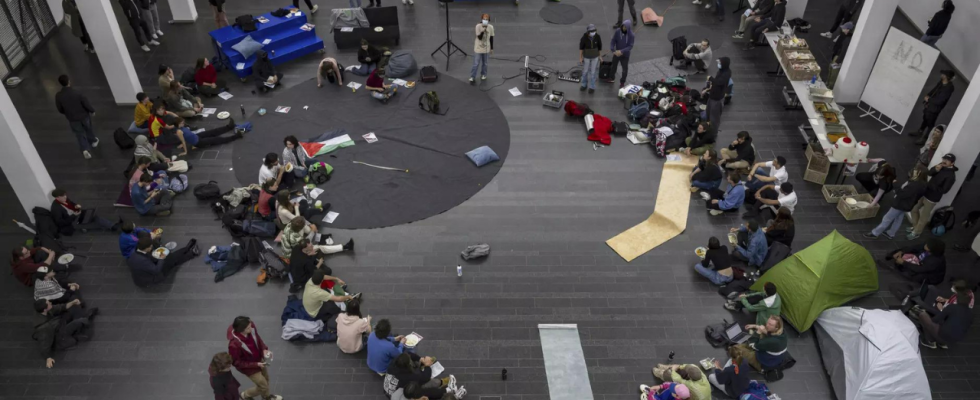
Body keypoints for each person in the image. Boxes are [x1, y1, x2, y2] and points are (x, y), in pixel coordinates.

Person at [227, 317, 283, 400]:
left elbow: (258, 339)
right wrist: (255, 364)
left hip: (260, 360)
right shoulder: (234, 345)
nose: (251, 327)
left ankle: (266, 397)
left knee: (266, 379)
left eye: (250, 325)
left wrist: (264, 349)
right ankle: (245, 395)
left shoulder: (251, 327)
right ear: (241, 330)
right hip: (249, 368)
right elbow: (236, 363)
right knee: (263, 386)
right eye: (248, 328)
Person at [33, 298, 97, 369]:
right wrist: (48, 358)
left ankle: (80, 326)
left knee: (69, 313)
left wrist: (72, 302)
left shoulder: (44, 311)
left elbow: (60, 307)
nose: (50, 303)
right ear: (45, 309)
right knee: (78, 323)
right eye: (48, 303)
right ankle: (86, 319)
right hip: (59, 335)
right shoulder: (43, 328)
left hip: (58, 325)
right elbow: (44, 344)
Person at [866, 169, 928, 240]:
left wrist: (895, 184)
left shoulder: (915, 184)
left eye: (916, 170)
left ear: (919, 172)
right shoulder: (923, 184)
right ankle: (891, 233)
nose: (913, 171)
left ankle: (875, 233)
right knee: (898, 219)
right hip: (907, 205)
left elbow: (902, 194)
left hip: (900, 204)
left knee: (887, 218)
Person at [909, 153, 957, 240]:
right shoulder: (940, 166)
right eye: (944, 159)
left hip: (932, 198)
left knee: (924, 217)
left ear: (952, 163)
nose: (944, 161)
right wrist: (935, 169)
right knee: (914, 209)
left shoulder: (951, 176)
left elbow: (944, 190)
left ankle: (916, 233)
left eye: (947, 160)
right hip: (924, 192)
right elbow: (929, 173)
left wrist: (930, 185)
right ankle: (915, 227)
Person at [54, 75, 98, 159]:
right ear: (69, 82)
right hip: (84, 116)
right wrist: (92, 111)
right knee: (88, 128)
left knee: (79, 134)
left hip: (72, 118)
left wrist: (67, 113)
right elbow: (86, 103)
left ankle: (85, 149)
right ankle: (93, 141)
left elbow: (60, 109)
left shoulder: (59, 96)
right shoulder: (77, 93)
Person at [127, 237, 197, 287]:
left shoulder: (135, 252)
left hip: (145, 273)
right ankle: (189, 252)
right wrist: (161, 258)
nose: (151, 248)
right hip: (152, 278)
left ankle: (187, 251)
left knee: (171, 258)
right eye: (150, 247)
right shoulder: (142, 261)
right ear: (147, 248)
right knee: (171, 261)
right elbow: (156, 270)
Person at [50, 188, 116, 235]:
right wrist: (74, 216)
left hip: (76, 214)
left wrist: (75, 206)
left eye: (65, 195)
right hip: (71, 221)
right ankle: (109, 226)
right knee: (90, 221)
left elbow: (72, 203)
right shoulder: (56, 208)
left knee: (92, 216)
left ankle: (111, 225)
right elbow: (60, 222)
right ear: (57, 197)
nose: (65, 197)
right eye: (63, 196)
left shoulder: (64, 199)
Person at [914, 70, 956, 138]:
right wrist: (928, 95)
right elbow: (934, 90)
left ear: (946, 77)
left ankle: (926, 138)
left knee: (930, 123)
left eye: (943, 74)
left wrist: (929, 99)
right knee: (925, 118)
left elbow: (940, 101)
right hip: (930, 104)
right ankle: (920, 131)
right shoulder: (941, 82)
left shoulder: (948, 88)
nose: (941, 75)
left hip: (935, 108)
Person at [172, 116, 241, 156]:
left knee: (213, 131)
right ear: (177, 124)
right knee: (216, 139)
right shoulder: (179, 131)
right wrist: (185, 151)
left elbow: (184, 138)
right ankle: (236, 136)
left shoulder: (181, 127)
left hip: (196, 136)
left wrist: (183, 142)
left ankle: (229, 127)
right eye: (181, 123)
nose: (183, 124)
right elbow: (183, 141)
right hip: (198, 142)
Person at [703, 57, 731, 127]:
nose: (718, 64)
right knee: (708, 112)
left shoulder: (726, 73)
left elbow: (719, 82)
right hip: (712, 95)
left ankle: (713, 130)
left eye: (719, 63)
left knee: (714, 116)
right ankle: (707, 125)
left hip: (717, 98)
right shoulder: (721, 71)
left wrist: (710, 78)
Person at [606, 20, 634, 88]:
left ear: (628, 28)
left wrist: (621, 51)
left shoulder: (631, 35)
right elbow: (613, 40)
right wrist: (612, 49)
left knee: (624, 70)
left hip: (625, 55)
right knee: (613, 66)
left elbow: (630, 46)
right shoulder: (618, 31)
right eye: (623, 26)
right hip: (617, 53)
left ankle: (622, 82)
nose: (623, 28)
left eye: (625, 27)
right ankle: (611, 77)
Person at [470, 14, 494, 84]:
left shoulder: (491, 27)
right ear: (481, 19)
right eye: (484, 19)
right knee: (476, 63)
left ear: (489, 20)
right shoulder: (478, 26)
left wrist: (492, 48)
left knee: (485, 63)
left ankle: (483, 74)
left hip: (486, 47)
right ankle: (472, 76)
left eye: (487, 19)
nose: (485, 20)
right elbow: (479, 37)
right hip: (478, 47)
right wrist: (483, 30)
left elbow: (491, 38)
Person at [579, 24, 602, 94]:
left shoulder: (597, 37)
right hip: (586, 57)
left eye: (594, 30)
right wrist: (580, 57)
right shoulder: (584, 38)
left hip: (595, 57)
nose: (593, 32)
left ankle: (592, 86)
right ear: (588, 32)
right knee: (585, 71)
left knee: (593, 72)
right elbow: (581, 48)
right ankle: (584, 84)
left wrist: (600, 56)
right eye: (592, 31)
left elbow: (599, 47)